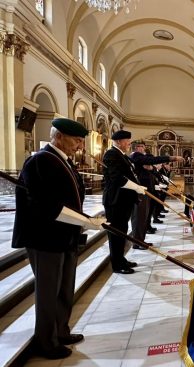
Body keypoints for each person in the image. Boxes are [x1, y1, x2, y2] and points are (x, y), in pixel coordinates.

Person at [13, 118, 104, 359]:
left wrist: (84, 221)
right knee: (48, 292)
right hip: (45, 238)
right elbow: (43, 205)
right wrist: (84, 221)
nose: (80, 146)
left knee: (65, 288)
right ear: (59, 137)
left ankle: (61, 330)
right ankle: (46, 341)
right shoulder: (40, 161)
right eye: (76, 140)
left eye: (81, 141)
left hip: (66, 235)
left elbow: (70, 198)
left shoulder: (62, 161)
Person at [103, 130, 148, 274]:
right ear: (118, 141)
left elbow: (131, 173)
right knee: (116, 234)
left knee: (122, 233)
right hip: (115, 201)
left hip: (123, 201)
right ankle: (117, 265)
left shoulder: (122, 155)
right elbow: (117, 178)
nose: (129, 143)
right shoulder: (111, 154)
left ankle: (121, 259)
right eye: (127, 140)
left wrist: (137, 187)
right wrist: (136, 187)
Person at [129, 141, 184, 250]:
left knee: (144, 217)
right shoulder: (135, 156)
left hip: (146, 190)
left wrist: (152, 168)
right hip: (140, 191)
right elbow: (152, 160)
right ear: (137, 148)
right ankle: (138, 242)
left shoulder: (140, 158)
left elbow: (151, 165)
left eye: (143, 147)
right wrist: (172, 158)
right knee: (139, 218)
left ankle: (141, 240)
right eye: (141, 147)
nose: (143, 149)